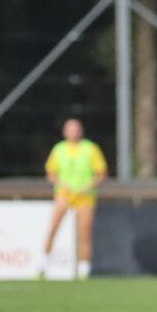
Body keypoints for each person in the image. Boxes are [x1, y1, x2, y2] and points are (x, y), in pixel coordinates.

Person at [38, 118, 106, 280]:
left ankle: (83, 271)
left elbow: (101, 173)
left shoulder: (90, 149)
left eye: (76, 129)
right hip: (64, 195)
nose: (73, 132)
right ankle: (42, 265)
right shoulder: (59, 149)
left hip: (84, 196)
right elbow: (51, 173)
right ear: (64, 132)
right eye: (70, 129)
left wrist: (88, 186)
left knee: (84, 234)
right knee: (53, 229)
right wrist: (61, 184)